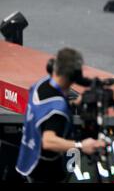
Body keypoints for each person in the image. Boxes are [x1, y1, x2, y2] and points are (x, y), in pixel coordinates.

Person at [16, 48, 105, 183]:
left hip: (27, 156)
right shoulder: (57, 110)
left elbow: (45, 108)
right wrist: (81, 146)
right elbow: (48, 141)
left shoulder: (41, 84)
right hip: (44, 171)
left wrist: (73, 104)